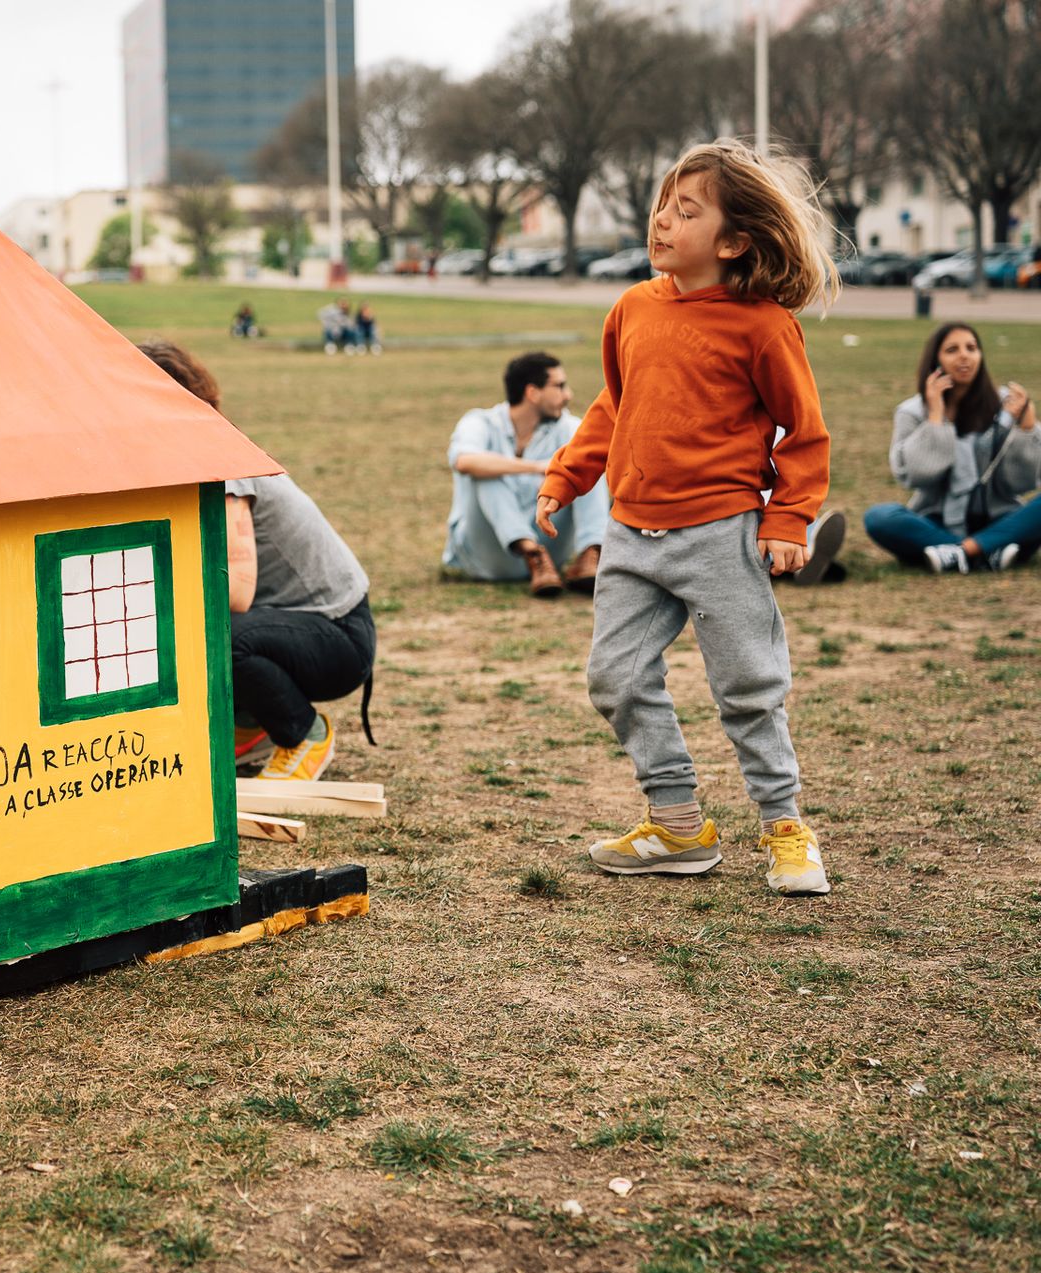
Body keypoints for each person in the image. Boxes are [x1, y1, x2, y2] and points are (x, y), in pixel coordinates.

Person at [536, 139, 837, 898]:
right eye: (664, 204)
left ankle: (784, 825)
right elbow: (614, 405)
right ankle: (676, 826)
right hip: (631, 536)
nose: (663, 220)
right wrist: (568, 475)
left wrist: (788, 521)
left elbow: (804, 434)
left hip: (720, 535)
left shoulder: (763, 325)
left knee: (747, 686)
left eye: (687, 210)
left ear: (733, 241)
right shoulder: (632, 307)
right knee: (616, 678)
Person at [138, 340, 374, 783]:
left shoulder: (217, 460)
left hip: (340, 637)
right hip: (301, 625)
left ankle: (302, 733)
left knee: (215, 632)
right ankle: (252, 726)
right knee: (202, 624)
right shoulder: (201, 452)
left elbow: (237, 589)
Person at [861, 322, 1039, 573]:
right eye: (952, 349)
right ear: (935, 361)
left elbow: (1022, 483)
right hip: (937, 521)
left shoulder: (1005, 405)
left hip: (1001, 518)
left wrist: (1027, 428)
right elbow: (914, 476)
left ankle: (959, 553)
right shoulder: (912, 412)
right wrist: (935, 419)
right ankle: (989, 552)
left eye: (972, 348)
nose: (965, 355)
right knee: (879, 517)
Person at [444, 351, 607, 595]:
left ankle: (590, 554)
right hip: (485, 553)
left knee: (586, 462)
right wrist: (540, 467)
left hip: (550, 555)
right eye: (559, 386)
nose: (568, 395)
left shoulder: (568, 426)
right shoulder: (480, 422)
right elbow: (465, 461)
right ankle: (529, 550)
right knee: (485, 471)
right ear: (532, 393)